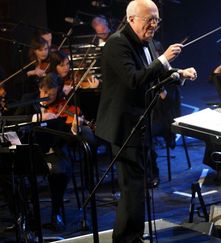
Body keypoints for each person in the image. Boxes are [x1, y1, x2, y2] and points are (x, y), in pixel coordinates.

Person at [95, 0, 197, 242]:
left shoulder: (147, 41)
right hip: (123, 126)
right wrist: (162, 59)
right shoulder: (117, 43)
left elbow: (157, 73)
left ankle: (133, 236)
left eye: (156, 20)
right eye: (149, 19)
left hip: (140, 122)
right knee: (131, 187)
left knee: (137, 185)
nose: (154, 25)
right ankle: (126, 239)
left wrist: (178, 74)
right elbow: (134, 79)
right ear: (131, 19)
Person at [14, 73, 88, 231]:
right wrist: (38, 117)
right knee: (15, 173)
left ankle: (56, 213)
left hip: (54, 151)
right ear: (40, 88)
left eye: (53, 95)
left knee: (60, 172)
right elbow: (15, 120)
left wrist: (74, 128)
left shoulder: (64, 105)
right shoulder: (29, 98)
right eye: (45, 93)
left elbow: (69, 140)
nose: (48, 98)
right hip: (30, 151)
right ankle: (27, 215)